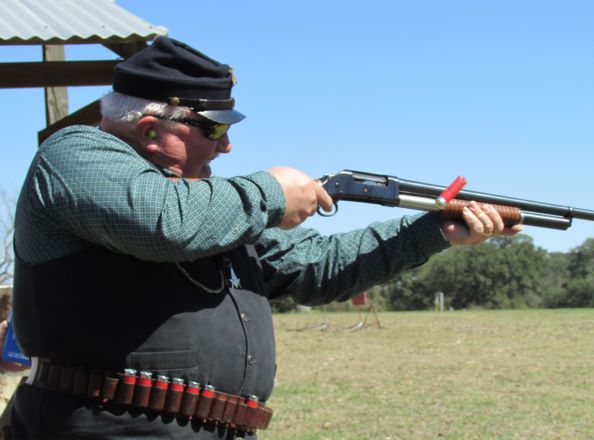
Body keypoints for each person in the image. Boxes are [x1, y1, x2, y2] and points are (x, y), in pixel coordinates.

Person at [10, 36, 518, 439]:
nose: (228, 146)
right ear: (149, 131)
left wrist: (434, 230)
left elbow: (318, 267)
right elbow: (165, 223)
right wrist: (272, 192)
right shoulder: (75, 155)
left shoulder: (209, 208)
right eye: (213, 129)